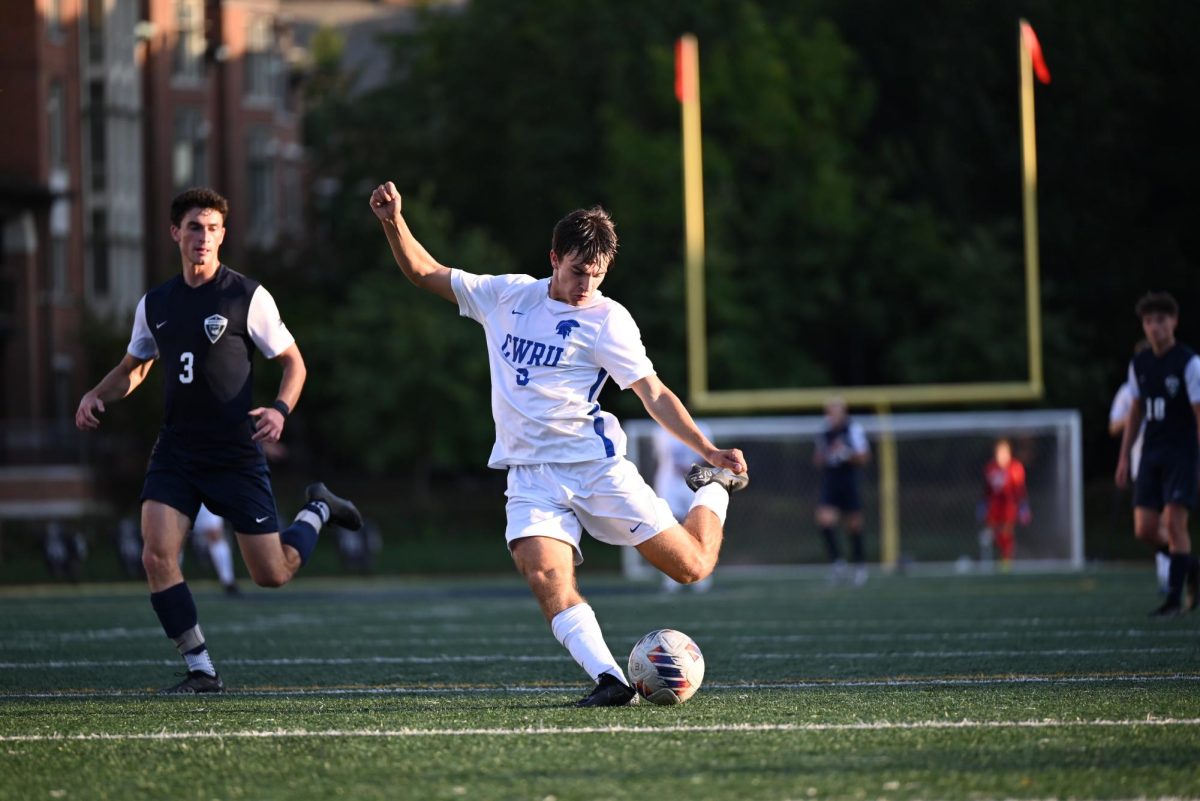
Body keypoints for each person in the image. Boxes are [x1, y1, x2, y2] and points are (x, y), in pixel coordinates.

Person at [369, 182, 748, 707]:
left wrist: (709, 453)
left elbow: (653, 393)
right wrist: (393, 221)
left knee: (692, 569)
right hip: (530, 476)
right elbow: (423, 272)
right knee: (545, 574)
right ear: (553, 258)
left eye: (596, 275)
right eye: (576, 272)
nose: (584, 285)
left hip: (596, 469)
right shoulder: (508, 295)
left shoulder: (607, 320)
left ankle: (715, 490)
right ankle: (611, 680)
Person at [75, 187, 363, 693]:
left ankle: (316, 510)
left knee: (272, 574)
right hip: (177, 450)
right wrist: (97, 393)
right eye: (193, 227)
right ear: (175, 234)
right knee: (155, 556)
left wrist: (279, 409)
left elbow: (294, 363)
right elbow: (134, 368)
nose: (202, 237)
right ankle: (201, 668)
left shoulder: (246, 297)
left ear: (223, 235)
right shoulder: (156, 303)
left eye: (211, 228)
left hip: (234, 453)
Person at [1115, 291, 1200, 617]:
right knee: (1145, 529)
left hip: (1181, 452)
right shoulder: (1140, 363)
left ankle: (1173, 601)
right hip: (1151, 452)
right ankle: (1191, 566)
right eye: (1149, 322)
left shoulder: (1188, 362)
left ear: (1174, 322)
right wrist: (1124, 457)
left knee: (1176, 525)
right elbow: (1135, 412)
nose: (1154, 327)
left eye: (1160, 320)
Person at [1109, 342, 1170, 594]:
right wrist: (1135, 414)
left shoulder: (1173, 381)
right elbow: (1114, 427)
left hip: (1171, 460)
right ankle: (1182, 566)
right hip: (1141, 462)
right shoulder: (1129, 391)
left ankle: (1169, 580)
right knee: (1146, 527)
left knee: (1170, 521)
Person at [813, 398, 870, 585]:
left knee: (853, 524)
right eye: (829, 411)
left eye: (835, 411)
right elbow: (818, 459)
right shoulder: (825, 431)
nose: (832, 415)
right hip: (832, 480)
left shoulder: (853, 429)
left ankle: (860, 566)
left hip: (849, 479)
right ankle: (838, 563)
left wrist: (845, 453)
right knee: (824, 519)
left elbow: (863, 457)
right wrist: (829, 454)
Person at [654, 422, 714, 594]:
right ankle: (671, 576)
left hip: (694, 483)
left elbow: (706, 455)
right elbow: (666, 457)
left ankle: (702, 574)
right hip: (670, 486)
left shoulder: (703, 428)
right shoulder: (661, 431)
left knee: (699, 528)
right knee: (668, 530)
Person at [979, 438, 1031, 571]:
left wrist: (1023, 507)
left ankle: (1006, 562)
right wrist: (983, 505)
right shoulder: (990, 468)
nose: (1001, 455)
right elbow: (987, 490)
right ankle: (992, 559)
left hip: (1009, 506)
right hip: (994, 506)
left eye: (1004, 452)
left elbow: (1020, 490)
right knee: (993, 533)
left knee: (1006, 533)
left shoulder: (1015, 468)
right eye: (999, 452)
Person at [192, 504, 239, 595]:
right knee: (173, 538)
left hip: (203, 496)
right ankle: (172, 583)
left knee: (215, 534)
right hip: (174, 493)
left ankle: (228, 581)